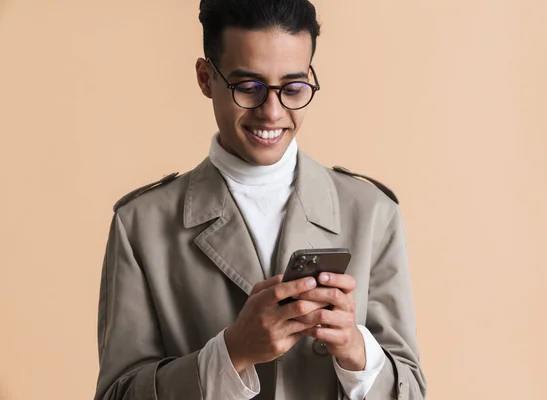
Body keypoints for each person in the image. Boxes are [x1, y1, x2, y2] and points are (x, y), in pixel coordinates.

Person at [94, 0, 427, 399]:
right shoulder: (141, 225)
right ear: (205, 78)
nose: (272, 112)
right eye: (248, 87)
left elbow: (411, 390)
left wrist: (357, 352)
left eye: (293, 88)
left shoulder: (373, 213)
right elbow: (118, 394)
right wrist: (230, 353)